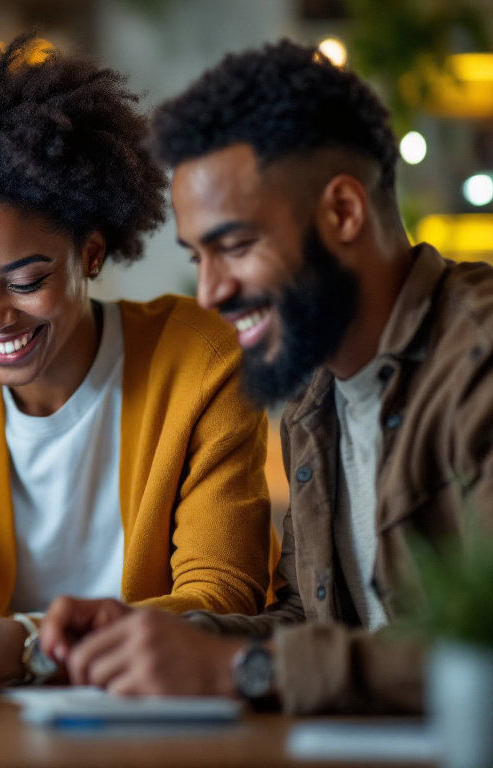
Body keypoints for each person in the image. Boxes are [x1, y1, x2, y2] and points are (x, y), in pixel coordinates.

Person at [40, 40, 493, 714]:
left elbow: (477, 656)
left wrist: (243, 667)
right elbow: (313, 629)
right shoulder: (314, 392)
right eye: (198, 257)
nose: (209, 293)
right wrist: (158, 636)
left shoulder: (479, 359)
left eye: (236, 247)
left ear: (343, 213)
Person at [0, 36, 274, 690]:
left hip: (156, 718)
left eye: (25, 280)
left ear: (91, 254)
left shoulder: (199, 359)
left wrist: (26, 646)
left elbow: (222, 594)